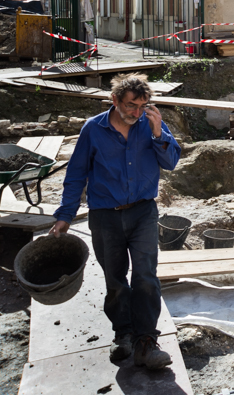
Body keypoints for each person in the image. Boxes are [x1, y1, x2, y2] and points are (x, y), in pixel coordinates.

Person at [49, 74, 181, 370]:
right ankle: (123, 335)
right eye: (131, 106)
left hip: (143, 212)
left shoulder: (151, 124)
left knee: (146, 275)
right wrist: (65, 216)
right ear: (115, 101)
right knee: (115, 279)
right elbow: (76, 174)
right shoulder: (93, 129)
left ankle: (147, 340)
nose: (136, 113)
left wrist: (160, 134)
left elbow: (171, 162)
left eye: (142, 106)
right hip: (105, 216)